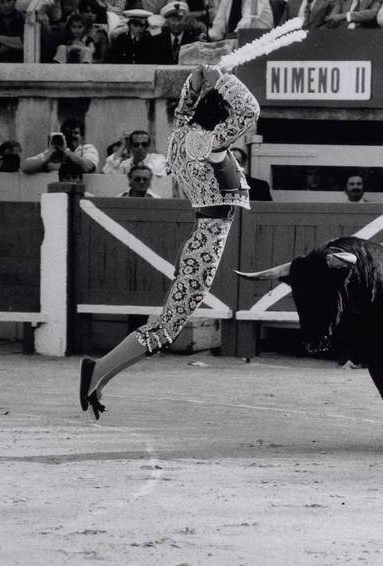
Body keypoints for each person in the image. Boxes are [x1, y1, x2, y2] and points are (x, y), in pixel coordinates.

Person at [79, 64, 260, 420]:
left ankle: (98, 374)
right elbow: (250, 109)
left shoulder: (181, 137)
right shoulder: (210, 143)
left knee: (165, 326)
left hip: (199, 237)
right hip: (206, 245)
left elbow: (184, 109)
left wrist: (196, 83)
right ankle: (96, 372)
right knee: (165, 329)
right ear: (221, 120)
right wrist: (221, 79)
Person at [22, 118, 99, 178]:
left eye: (75, 133)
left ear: (82, 136)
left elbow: (87, 166)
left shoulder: (87, 149)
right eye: (68, 133)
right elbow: (26, 167)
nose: (72, 136)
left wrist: (66, 152)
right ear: (63, 136)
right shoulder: (53, 151)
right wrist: (47, 158)